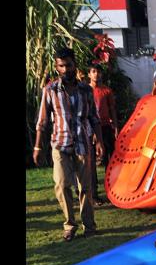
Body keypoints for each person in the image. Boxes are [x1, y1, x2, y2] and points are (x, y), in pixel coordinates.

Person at [33, 47, 104, 241]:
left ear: (75, 65)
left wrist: (99, 142)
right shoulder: (50, 90)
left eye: (69, 65)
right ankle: (69, 225)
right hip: (60, 144)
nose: (65, 70)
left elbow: (94, 118)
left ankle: (89, 226)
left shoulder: (85, 90)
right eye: (61, 66)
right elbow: (43, 121)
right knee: (62, 184)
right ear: (57, 67)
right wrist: (38, 147)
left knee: (86, 188)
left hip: (83, 143)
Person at [88, 64, 120, 206]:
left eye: (98, 72)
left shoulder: (106, 91)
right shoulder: (85, 90)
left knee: (110, 160)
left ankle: (112, 190)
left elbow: (112, 108)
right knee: (91, 162)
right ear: (89, 74)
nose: (96, 74)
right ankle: (93, 195)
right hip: (90, 129)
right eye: (94, 72)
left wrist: (116, 126)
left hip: (106, 127)